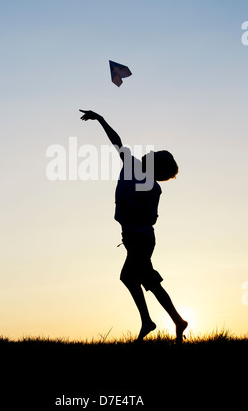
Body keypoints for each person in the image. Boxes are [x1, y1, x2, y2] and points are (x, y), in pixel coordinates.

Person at [79, 110, 188, 343]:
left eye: (154, 154)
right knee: (142, 278)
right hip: (133, 236)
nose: (149, 152)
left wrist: (130, 207)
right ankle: (171, 320)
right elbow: (116, 141)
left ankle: (157, 320)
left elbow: (152, 218)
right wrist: (100, 119)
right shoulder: (132, 165)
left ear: (156, 165)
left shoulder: (153, 187)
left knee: (132, 277)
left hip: (141, 237)